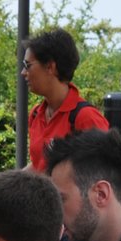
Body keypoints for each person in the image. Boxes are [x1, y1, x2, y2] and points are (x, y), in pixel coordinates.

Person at [22, 27, 110, 171]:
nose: (23, 72)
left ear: (50, 67)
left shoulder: (86, 118)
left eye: (27, 65)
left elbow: (104, 174)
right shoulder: (36, 114)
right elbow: (38, 167)